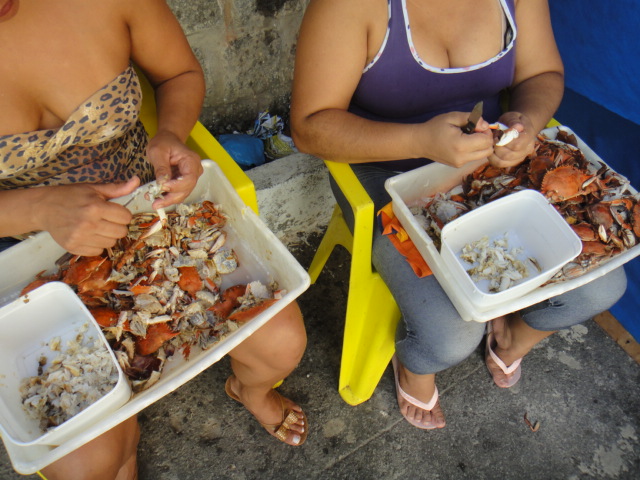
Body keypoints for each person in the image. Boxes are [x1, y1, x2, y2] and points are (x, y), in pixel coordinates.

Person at [0, 1, 307, 478]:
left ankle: (249, 391)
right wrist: (38, 208)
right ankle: (123, 449)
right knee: (90, 464)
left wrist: (169, 133)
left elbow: (178, 73)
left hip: (154, 218)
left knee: (282, 341)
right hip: (30, 255)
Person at [290, 0, 626, 430]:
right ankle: (415, 364)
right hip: (383, 177)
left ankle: (514, 335)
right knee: (449, 338)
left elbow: (541, 74)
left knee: (598, 289)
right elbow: (309, 128)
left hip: (490, 167)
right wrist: (419, 140)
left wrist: (526, 123)